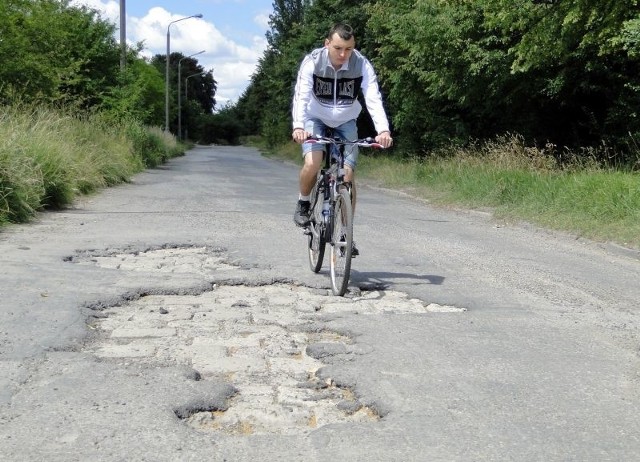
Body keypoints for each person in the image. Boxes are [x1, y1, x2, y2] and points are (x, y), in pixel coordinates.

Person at [291, 23, 393, 255]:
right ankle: (304, 202)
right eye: (337, 48)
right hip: (315, 118)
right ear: (327, 44)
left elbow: (373, 97)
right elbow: (302, 94)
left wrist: (383, 131)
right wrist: (298, 126)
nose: (342, 54)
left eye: (348, 49)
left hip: (346, 120)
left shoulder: (361, 63)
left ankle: (347, 234)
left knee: (347, 177)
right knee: (313, 163)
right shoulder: (313, 62)